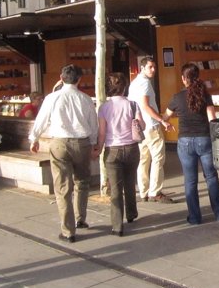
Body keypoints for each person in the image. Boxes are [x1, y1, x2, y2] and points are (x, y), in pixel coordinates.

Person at [29, 64, 98, 243]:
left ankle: (68, 231)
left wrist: (34, 138)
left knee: (62, 187)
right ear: (79, 79)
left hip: (59, 143)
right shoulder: (86, 99)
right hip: (82, 143)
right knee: (82, 181)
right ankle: (80, 218)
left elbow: (41, 119)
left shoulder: (52, 98)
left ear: (61, 77)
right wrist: (94, 143)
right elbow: (93, 124)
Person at [164, 63, 219, 225]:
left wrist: (165, 122)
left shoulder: (176, 98)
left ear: (183, 78)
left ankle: (194, 217)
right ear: (198, 77)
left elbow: (165, 116)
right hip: (204, 139)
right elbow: (212, 119)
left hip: (185, 142)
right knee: (211, 177)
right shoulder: (205, 95)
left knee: (190, 180)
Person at [93, 73, 145, 236]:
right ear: (124, 87)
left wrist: (98, 149)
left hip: (112, 150)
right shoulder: (133, 105)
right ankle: (131, 213)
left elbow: (101, 133)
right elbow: (141, 125)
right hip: (131, 148)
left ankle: (117, 225)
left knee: (115, 189)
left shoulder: (103, 108)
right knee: (130, 183)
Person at [128, 56, 175, 203]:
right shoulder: (145, 84)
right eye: (150, 67)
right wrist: (162, 120)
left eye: (154, 67)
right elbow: (145, 106)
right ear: (142, 68)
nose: (153, 70)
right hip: (151, 126)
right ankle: (155, 191)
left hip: (140, 128)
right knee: (158, 158)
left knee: (143, 160)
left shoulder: (134, 83)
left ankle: (143, 191)